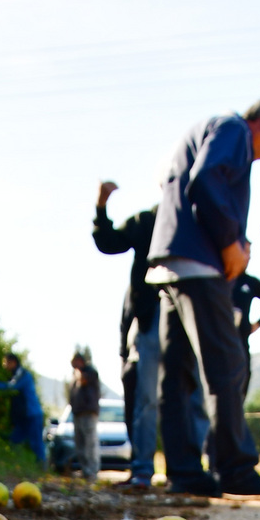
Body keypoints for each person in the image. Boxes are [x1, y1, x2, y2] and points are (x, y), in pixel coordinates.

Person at [146, 95, 260, 497]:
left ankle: (184, 471)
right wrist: (231, 241)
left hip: (170, 261)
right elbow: (208, 178)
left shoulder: (209, 128)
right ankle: (234, 468)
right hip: (200, 263)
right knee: (227, 362)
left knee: (177, 371)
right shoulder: (233, 130)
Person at [93, 182, 160, 488]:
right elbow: (109, 241)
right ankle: (143, 470)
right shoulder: (148, 221)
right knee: (144, 395)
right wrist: (101, 207)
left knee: (188, 395)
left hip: (190, 316)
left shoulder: (198, 222)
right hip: (150, 318)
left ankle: (188, 470)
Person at [231, 272, 260, 397]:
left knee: (242, 387)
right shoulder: (219, 278)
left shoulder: (250, 282)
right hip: (217, 343)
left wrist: (257, 324)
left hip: (242, 343)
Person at [0, 353, 45, 464]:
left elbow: (13, 386)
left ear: (13, 362)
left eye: (6, 362)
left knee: (36, 442)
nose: (5, 365)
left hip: (33, 414)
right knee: (15, 438)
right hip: (24, 415)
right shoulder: (16, 374)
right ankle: (12, 462)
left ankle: (42, 465)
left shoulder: (23, 375)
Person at [68, 349, 101, 480]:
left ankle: (92, 470)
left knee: (90, 442)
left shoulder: (90, 372)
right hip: (77, 413)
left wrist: (78, 372)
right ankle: (85, 470)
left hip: (88, 412)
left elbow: (83, 381)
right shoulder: (74, 377)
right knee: (80, 443)